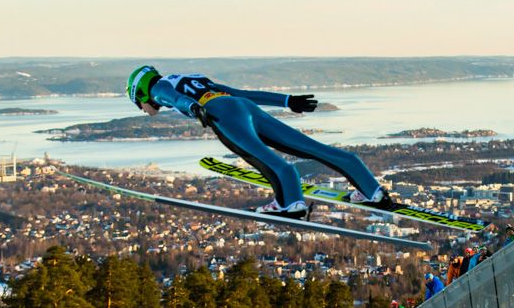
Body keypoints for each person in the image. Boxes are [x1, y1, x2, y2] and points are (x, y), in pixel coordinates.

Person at [126, 65, 393, 218]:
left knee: (263, 157)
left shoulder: (157, 88)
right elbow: (241, 93)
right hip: (241, 105)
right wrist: (287, 101)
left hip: (221, 113)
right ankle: (372, 191)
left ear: (140, 91)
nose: (143, 109)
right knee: (307, 147)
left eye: (139, 104)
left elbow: (173, 100)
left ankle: (290, 203)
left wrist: (195, 109)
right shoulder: (189, 78)